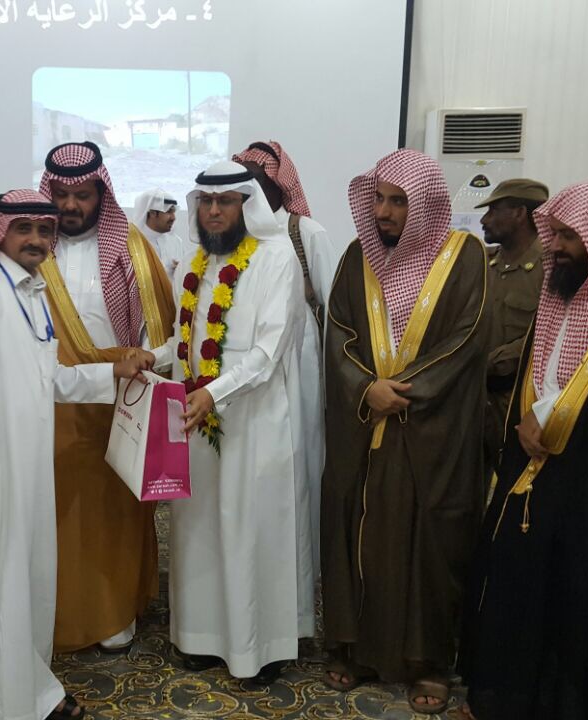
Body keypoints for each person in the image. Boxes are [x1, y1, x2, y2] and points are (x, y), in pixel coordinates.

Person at [0, 188, 150, 720]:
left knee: (17, 583)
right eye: (24, 229)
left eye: (45, 231)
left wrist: (113, 371)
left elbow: (50, 380)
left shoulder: (31, 291)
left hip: (23, 466)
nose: (37, 239)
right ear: (0, 232)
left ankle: (19, 692)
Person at [459, 182, 588, 720]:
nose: (558, 247)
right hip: (530, 464)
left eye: (571, 236)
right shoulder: (558, 289)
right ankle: (503, 699)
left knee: (575, 593)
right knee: (516, 581)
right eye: (557, 235)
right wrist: (527, 423)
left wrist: (552, 420)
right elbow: (539, 368)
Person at [320, 149, 487, 713]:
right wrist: (366, 387)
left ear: (426, 205)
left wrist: (405, 391)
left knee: (428, 542)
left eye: (398, 202)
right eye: (378, 199)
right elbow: (338, 329)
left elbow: (468, 337)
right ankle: (353, 647)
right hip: (364, 420)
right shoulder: (356, 256)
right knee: (355, 530)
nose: (384, 213)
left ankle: (427, 661)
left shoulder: (465, 257)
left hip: (430, 429)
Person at [150, 160, 314, 687]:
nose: (214, 211)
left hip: (253, 419)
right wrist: (151, 358)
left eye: (225, 202)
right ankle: (200, 636)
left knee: (250, 527)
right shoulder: (193, 262)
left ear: (247, 205)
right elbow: (186, 341)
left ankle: (259, 648)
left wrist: (213, 394)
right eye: (206, 202)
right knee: (197, 529)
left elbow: (268, 351)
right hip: (196, 421)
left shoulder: (276, 259)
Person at [39, 141, 175, 653]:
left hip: (119, 403)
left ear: (102, 193)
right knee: (53, 510)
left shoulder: (133, 248)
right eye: (61, 194)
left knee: (113, 511)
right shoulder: (31, 245)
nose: (70, 205)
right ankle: (53, 609)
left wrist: (142, 359)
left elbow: (162, 335)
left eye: (82, 195)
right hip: (47, 402)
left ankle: (112, 610)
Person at [233, 139, 332, 560]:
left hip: (299, 353)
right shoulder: (235, 232)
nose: (250, 190)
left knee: (300, 447)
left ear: (279, 185)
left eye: (258, 180)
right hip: (245, 360)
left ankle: (302, 553)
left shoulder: (304, 231)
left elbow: (332, 306)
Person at [475, 179, 549, 471]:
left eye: (493, 211)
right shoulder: (483, 264)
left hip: (519, 404)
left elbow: (548, 336)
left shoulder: (549, 269)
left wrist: (487, 363)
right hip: (476, 401)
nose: (484, 220)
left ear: (519, 213)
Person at [128, 188, 186, 279]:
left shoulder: (176, 242)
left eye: (174, 212)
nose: (173, 218)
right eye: (169, 211)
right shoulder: (131, 244)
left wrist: (184, 270)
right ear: (152, 213)